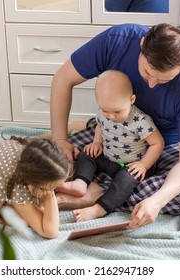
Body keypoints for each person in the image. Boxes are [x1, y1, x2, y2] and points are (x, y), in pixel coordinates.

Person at [50, 23, 180, 229]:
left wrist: (157, 201)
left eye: (163, 80)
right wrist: (60, 139)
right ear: (142, 45)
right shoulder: (117, 40)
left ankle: (101, 193)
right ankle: (104, 189)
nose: (151, 84)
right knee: (48, 163)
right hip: (111, 131)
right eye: (148, 72)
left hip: (165, 146)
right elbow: (62, 79)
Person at [57, 70, 164, 222]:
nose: (111, 116)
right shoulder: (103, 113)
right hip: (109, 158)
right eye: (106, 111)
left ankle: (99, 209)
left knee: (125, 180)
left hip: (132, 166)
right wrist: (97, 143)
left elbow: (157, 143)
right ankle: (80, 184)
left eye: (117, 112)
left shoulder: (140, 122)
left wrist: (143, 165)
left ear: (131, 99)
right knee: (86, 153)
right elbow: (100, 126)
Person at [0, 136, 72, 239]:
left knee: (35, 210)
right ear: (35, 182)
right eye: (54, 186)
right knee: (22, 219)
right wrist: (49, 196)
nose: (61, 186)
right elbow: (50, 232)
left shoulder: (30, 155)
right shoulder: (19, 186)